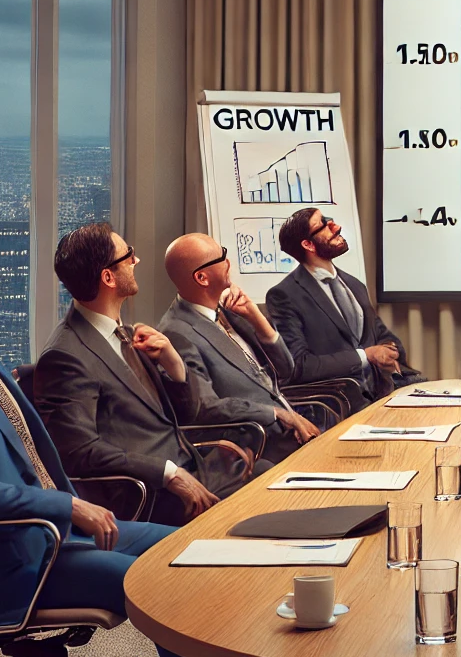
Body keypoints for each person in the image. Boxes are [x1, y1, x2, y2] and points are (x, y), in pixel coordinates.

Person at [0, 225, 388, 657]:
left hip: (60, 535)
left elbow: (37, 457)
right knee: (170, 586)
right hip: (16, 561)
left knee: (203, 555)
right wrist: (69, 504)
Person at [32, 223, 255, 527]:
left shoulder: (126, 333)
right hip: (150, 494)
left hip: (191, 466)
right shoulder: (66, 355)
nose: (136, 262)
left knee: (273, 474)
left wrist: (174, 365)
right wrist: (166, 472)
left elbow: (183, 415)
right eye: (129, 256)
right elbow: (77, 451)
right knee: (269, 493)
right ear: (108, 277)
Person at [159, 232, 321, 465]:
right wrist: (276, 413)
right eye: (221, 256)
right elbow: (206, 405)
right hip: (257, 444)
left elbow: (287, 368)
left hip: (291, 430)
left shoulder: (228, 311)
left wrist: (256, 318)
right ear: (202, 278)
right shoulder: (176, 332)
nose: (228, 262)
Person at [265, 207, 423, 414]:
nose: (336, 227)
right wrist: (366, 356)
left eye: (331, 220)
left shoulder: (355, 285)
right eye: (324, 224)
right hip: (337, 406)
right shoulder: (284, 295)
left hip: (383, 395)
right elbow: (300, 365)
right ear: (308, 244)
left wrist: (390, 350)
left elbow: (379, 333)